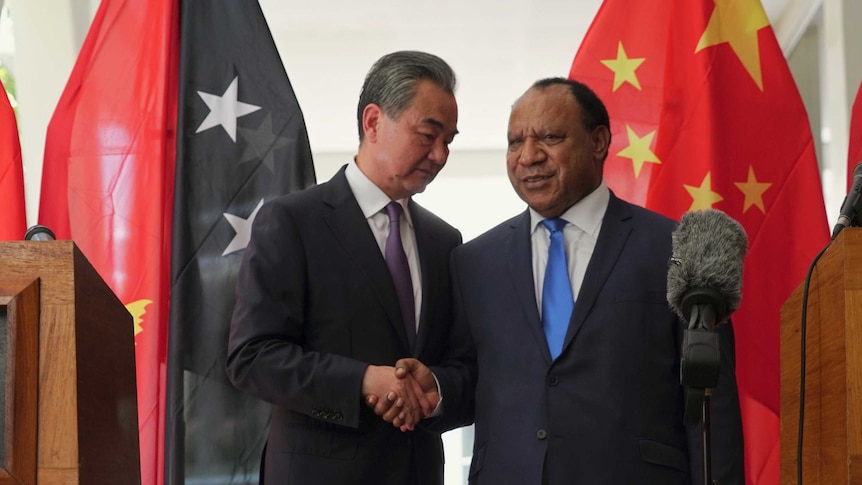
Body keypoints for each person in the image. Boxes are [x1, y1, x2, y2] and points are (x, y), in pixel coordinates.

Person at [393, 77, 745, 484]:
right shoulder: (474, 261)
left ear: (598, 142)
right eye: (514, 142)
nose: (528, 156)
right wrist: (436, 388)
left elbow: (711, 403)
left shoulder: (674, 247)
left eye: (549, 137)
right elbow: (475, 379)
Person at [226, 50, 469, 485]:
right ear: (373, 122)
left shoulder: (444, 241)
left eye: (449, 140)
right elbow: (252, 357)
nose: (439, 155)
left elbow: (465, 367)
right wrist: (362, 381)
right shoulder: (293, 221)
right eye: (428, 134)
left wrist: (433, 385)